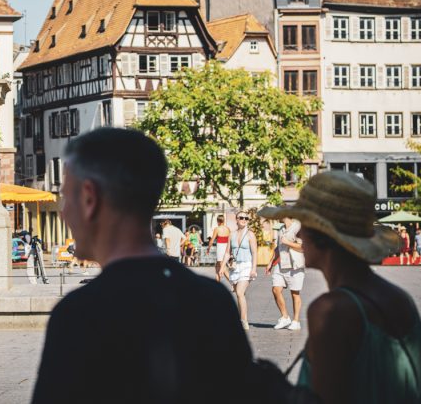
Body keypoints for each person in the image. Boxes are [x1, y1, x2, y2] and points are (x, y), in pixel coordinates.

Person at [31, 128, 252, 404]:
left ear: (89, 198)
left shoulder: (80, 315)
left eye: (66, 196)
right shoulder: (214, 301)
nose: (63, 212)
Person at [260, 171, 421, 404]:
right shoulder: (400, 298)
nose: (300, 235)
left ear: (321, 235)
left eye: (304, 226)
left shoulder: (332, 310)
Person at [219, 211, 258, 330]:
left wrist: (254, 269)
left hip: (247, 265)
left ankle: (243, 321)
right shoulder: (232, 234)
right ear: (236, 219)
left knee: (240, 292)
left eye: (246, 218)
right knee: (239, 294)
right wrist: (222, 267)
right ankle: (242, 318)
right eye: (241, 217)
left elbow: (255, 252)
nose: (244, 219)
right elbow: (227, 253)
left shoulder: (251, 235)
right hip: (235, 267)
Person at [265, 217, 304, 331]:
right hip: (281, 264)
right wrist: (270, 262)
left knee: (295, 294)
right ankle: (285, 317)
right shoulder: (281, 229)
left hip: (295, 265)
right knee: (275, 289)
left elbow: (302, 247)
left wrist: (288, 242)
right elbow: (278, 248)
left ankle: (296, 321)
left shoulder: (298, 227)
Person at [207, 215, 230, 281]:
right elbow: (230, 240)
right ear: (224, 220)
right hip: (226, 247)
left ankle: (233, 284)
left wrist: (208, 248)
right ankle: (217, 282)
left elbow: (212, 240)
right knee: (217, 266)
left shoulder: (217, 229)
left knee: (222, 266)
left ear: (218, 221)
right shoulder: (228, 229)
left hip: (220, 247)